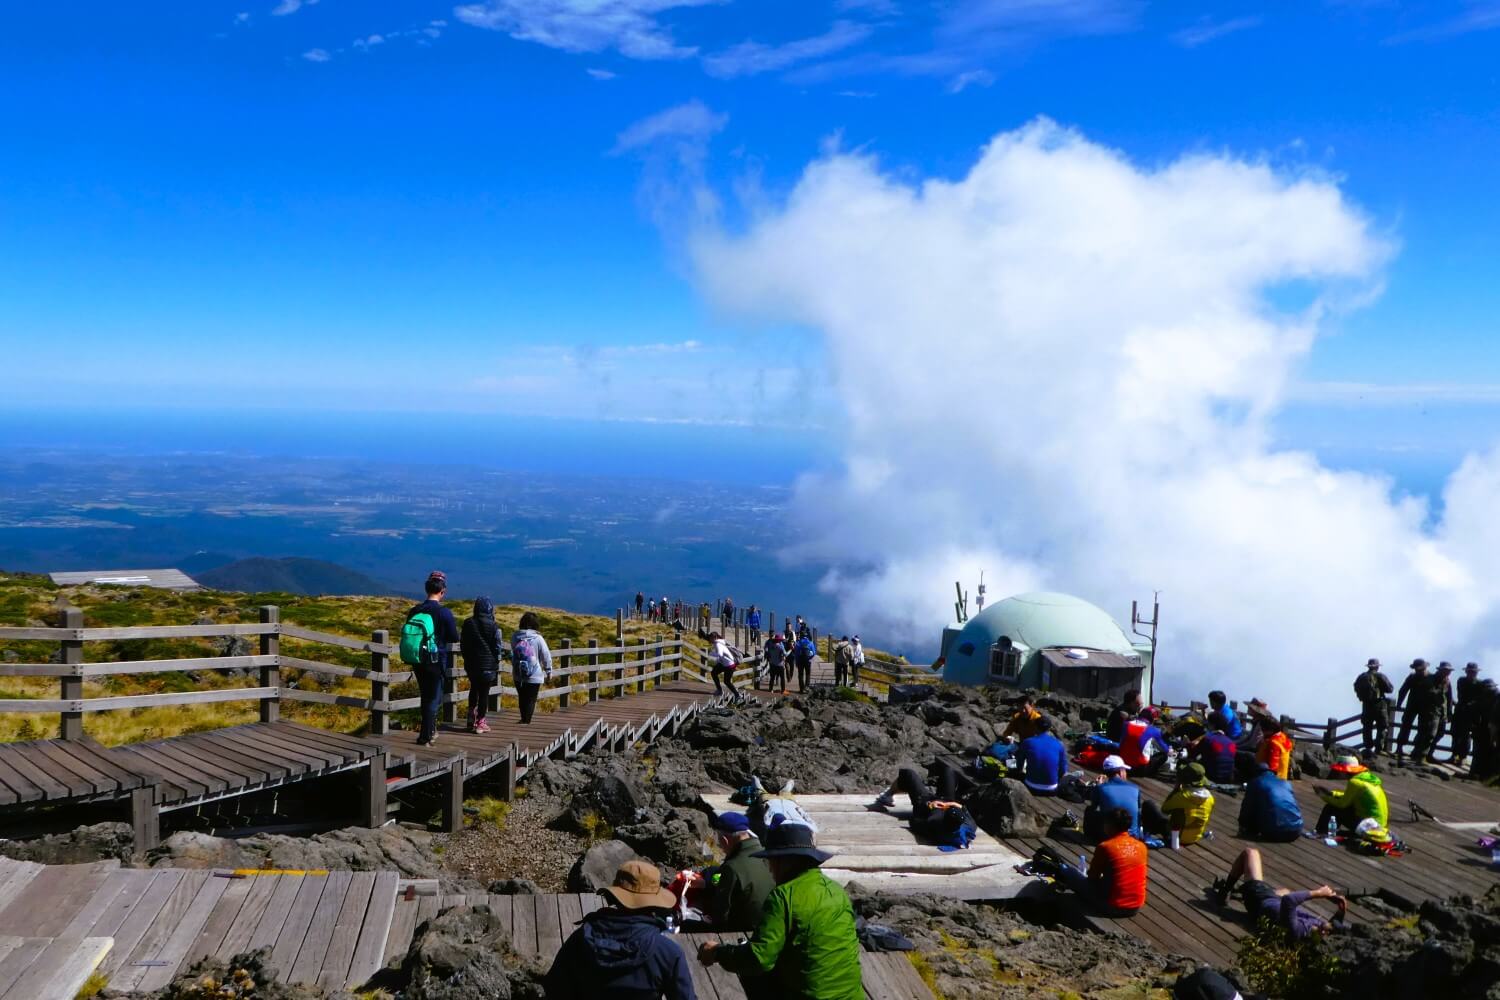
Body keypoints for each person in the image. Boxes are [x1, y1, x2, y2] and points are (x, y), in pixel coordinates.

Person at [698, 824, 863, 1000]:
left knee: (754, 974)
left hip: (810, 996)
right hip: (852, 995)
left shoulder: (783, 896)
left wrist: (717, 952)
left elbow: (759, 959)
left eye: (769, 861)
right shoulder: (837, 891)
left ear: (783, 861)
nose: (769, 869)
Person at [544, 859, 696, 1000]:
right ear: (655, 903)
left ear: (615, 896)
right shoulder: (667, 953)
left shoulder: (581, 939)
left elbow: (555, 989)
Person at [1031, 808, 1147, 916]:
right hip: (1135, 907)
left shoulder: (1106, 847)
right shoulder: (1141, 846)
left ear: (1110, 826)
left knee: (1070, 872)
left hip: (1112, 906)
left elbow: (1092, 878)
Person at [1212, 848, 1347, 938]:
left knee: (1250, 853)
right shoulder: (1314, 930)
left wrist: (1318, 893)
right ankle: (1240, 889)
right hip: (1272, 904)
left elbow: (1289, 900)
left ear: (1325, 933)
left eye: (1330, 927)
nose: (1329, 924)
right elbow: (1331, 926)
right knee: (1285, 891)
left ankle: (1226, 890)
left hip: (1260, 900)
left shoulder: (1298, 930)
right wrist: (1341, 911)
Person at [404, 571, 459, 747]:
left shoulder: (415, 610)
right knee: (433, 699)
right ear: (443, 591)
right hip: (436, 660)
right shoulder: (444, 613)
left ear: (426, 589)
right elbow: (454, 637)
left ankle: (428, 732)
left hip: (417, 659)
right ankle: (425, 737)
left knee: (425, 696)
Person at [706, 812, 776, 932]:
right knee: (712, 872)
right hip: (772, 922)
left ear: (725, 840)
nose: (720, 846)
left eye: (719, 843)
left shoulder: (731, 868)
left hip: (746, 931)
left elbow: (721, 916)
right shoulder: (768, 856)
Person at [1140, 762, 1215, 845]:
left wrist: (1176, 789)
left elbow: (1164, 810)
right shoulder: (1210, 798)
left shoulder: (1182, 796)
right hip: (1195, 838)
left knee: (1149, 805)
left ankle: (1146, 832)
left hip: (1176, 837)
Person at [1313, 755, 1388, 837]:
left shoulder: (1354, 782)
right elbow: (1353, 796)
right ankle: (1327, 831)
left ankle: (1322, 831)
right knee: (1340, 804)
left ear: (1345, 771)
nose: (1338, 773)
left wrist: (1323, 796)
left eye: (1339, 771)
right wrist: (1332, 793)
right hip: (1379, 824)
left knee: (1331, 807)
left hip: (1369, 826)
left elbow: (1342, 804)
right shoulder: (1366, 778)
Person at [459, 596, 502, 734]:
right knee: (484, 693)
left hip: (472, 665)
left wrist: (467, 658)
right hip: (488, 667)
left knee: (474, 688)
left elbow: (463, 644)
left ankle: (471, 717)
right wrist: (497, 660)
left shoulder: (468, 623)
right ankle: (481, 723)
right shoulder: (494, 626)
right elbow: (497, 647)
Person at [1238, 762, 1303, 842]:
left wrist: (1242, 824)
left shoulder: (1255, 782)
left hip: (1274, 832)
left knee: (1254, 808)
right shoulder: (1285, 783)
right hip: (1296, 830)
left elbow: (1246, 808)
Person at [1084, 755, 1141, 841]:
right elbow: (1138, 809)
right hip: (1132, 837)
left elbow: (1094, 807)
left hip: (1108, 837)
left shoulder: (1101, 788)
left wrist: (1098, 786)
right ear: (1121, 771)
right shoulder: (1135, 788)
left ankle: (1089, 836)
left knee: (1089, 810)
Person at [511, 611, 553, 725]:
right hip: (534, 674)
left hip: (518, 673)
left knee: (522, 696)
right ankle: (526, 721)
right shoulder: (538, 638)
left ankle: (523, 718)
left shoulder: (515, 636)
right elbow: (546, 655)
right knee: (531, 699)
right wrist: (548, 670)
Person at [1410, 662, 1453, 764]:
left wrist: (1449, 713)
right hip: (1430, 711)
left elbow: (1449, 698)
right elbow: (1425, 694)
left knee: (1440, 733)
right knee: (1429, 734)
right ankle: (1421, 755)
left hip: (1442, 712)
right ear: (1440, 670)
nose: (1447, 672)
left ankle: (1427, 754)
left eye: (1449, 671)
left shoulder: (1447, 681)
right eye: (1446, 670)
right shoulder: (1430, 680)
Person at [1016, 716, 1069, 795]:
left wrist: (1019, 771)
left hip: (1031, 785)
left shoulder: (1027, 742)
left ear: (1035, 727)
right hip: (1052, 788)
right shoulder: (1059, 744)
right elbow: (1063, 770)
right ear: (1049, 728)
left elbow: (1019, 762)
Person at [1353, 658, 1394, 756]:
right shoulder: (1380, 676)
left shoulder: (1362, 677)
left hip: (1366, 705)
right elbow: (1390, 689)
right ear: (1377, 666)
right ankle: (1379, 748)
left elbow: (1355, 687)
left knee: (1367, 726)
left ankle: (1368, 747)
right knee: (1382, 726)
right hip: (1379, 704)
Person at [1119, 708, 1171, 775]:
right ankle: (1152, 773)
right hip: (1140, 769)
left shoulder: (1126, 724)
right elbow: (1165, 749)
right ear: (1152, 719)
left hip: (1123, 765)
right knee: (1164, 755)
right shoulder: (1154, 730)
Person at [1395, 658, 1429, 758]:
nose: (1417, 671)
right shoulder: (1412, 677)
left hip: (1425, 707)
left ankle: (1416, 749)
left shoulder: (1431, 677)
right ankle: (1399, 748)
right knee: (1406, 726)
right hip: (1412, 705)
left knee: (1422, 728)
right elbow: (1403, 690)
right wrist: (1399, 704)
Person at [1188, 717, 1239, 784]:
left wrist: (1187, 745)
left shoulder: (1208, 738)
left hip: (1211, 777)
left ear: (1213, 725)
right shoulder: (1231, 742)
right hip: (1228, 778)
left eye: (1208, 724)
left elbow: (1192, 754)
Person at [1452, 662, 1482, 767]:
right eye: (1470, 671)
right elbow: (1461, 694)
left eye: (1473, 672)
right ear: (1466, 671)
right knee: (1455, 733)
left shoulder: (1479, 684)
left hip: (1471, 713)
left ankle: (1462, 757)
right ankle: (1454, 755)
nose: (1472, 674)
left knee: (1465, 735)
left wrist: (1471, 705)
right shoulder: (1461, 681)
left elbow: (1479, 699)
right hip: (1460, 710)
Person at [1254, 715, 1293, 780]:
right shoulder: (1282, 736)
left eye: (1263, 729)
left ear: (1270, 730)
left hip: (1273, 779)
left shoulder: (1273, 743)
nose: (1262, 731)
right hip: (1282, 777)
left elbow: (1273, 768)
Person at [709, 632, 740, 700]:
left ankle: (737, 695)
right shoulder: (720, 642)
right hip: (725, 663)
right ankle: (719, 690)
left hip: (729, 665)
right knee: (714, 673)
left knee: (727, 681)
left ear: (715, 638)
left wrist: (712, 656)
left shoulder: (718, 644)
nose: (710, 640)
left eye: (711, 638)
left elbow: (720, 654)